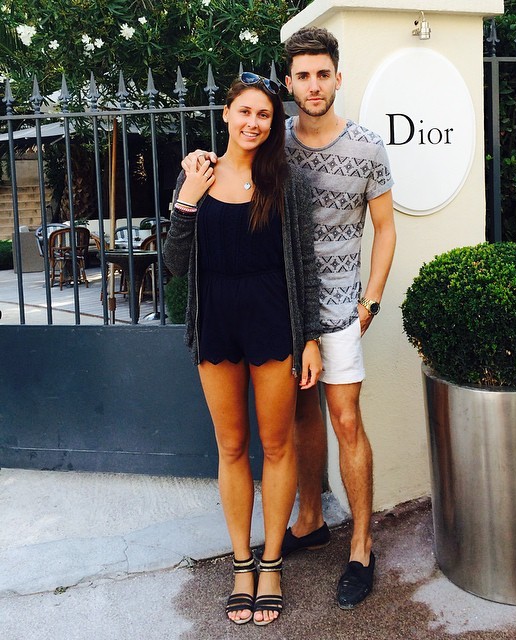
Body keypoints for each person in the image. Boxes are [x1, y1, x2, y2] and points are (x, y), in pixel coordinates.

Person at [185, 26, 396, 610]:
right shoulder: (276, 147)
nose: (313, 85)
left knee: (344, 420)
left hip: (340, 311)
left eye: (322, 73)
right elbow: (224, 177)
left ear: (337, 77)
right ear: (290, 84)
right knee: (298, 424)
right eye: (302, 76)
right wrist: (194, 168)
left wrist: (370, 300)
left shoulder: (366, 146)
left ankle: (361, 547)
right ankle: (309, 519)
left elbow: (385, 229)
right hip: (285, 312)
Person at [163, 72, 322, 627]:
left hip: (273, 321)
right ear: (227, 113)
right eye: (245, 112)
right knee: (231, 447)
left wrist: (310, 338)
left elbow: (305, 265)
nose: (253, 123)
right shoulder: (197, 175)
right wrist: (187, 201)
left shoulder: (287, 181)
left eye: (264, 115)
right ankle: (241, 565)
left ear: (273, 124)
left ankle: (271, 563)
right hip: (217, 323)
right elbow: (175, 266)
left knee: (277, 445)